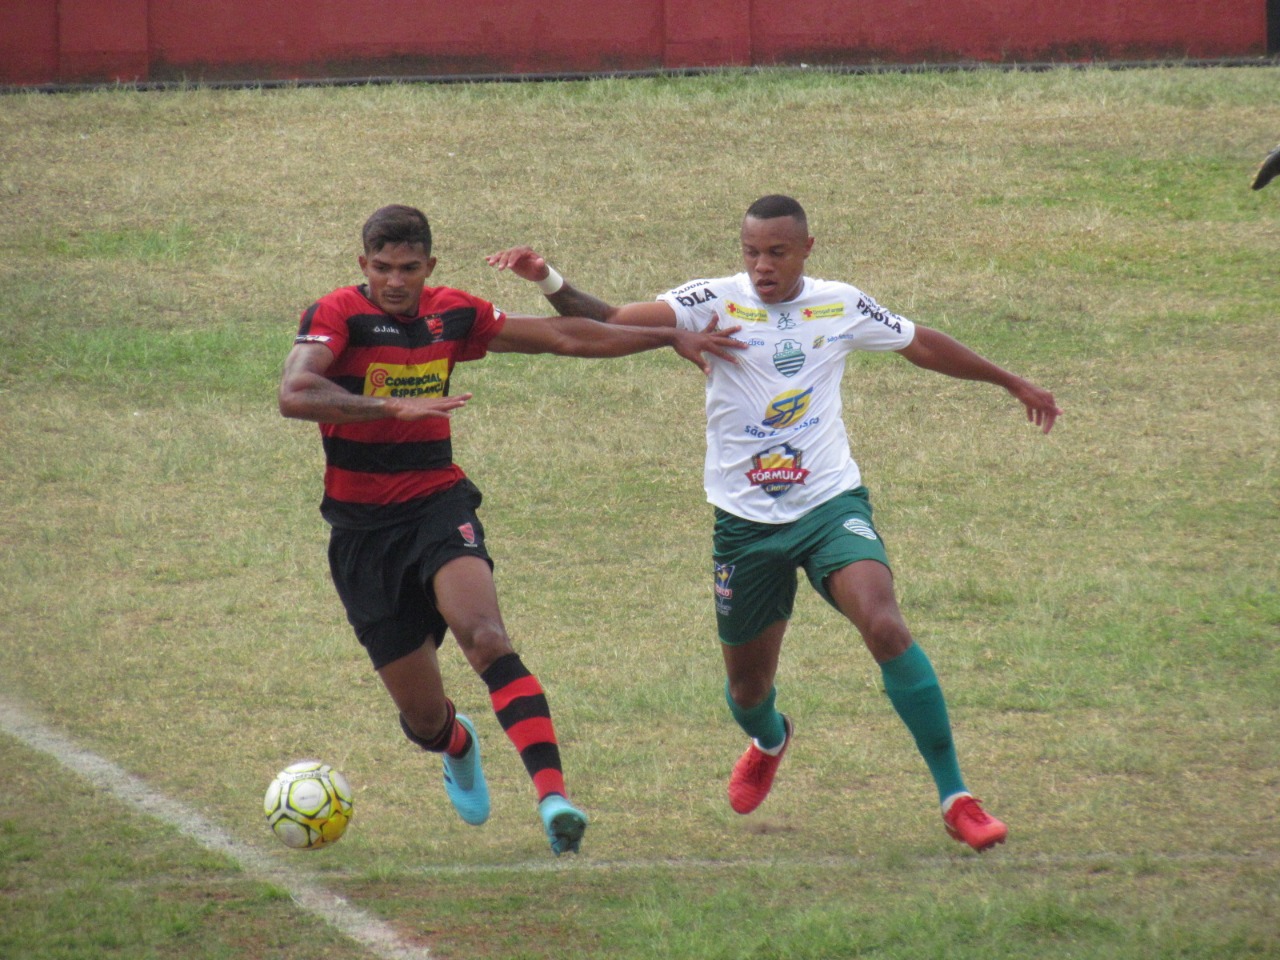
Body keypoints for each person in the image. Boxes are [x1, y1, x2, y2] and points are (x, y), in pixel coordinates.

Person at [486, 194, 1062, 852]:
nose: (762, 266)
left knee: (884, 623)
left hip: (828, 505)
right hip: (744, 522)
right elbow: (611, 319)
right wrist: (548, 279)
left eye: (777, 253)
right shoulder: (712, 299)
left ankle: (956, 796)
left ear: (807, 250)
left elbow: (920, 342)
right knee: (747, 688)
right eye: (752, 252)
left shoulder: (839, 303)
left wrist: (1011, 380)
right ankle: (769, 737)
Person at [278, 204, 744, 856]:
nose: (394, 280)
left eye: (408, 268)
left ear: (429, 267)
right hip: (361, 536)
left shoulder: (454, 312)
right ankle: (457, 744)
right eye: (381, 268)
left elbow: (567, 337)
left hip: (437, 506)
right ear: (363, 266)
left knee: (487, 637)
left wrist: (667, 338)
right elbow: (294, 393)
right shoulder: (336, 316)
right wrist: (388, 405)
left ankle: (554, 798)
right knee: (424, 718)